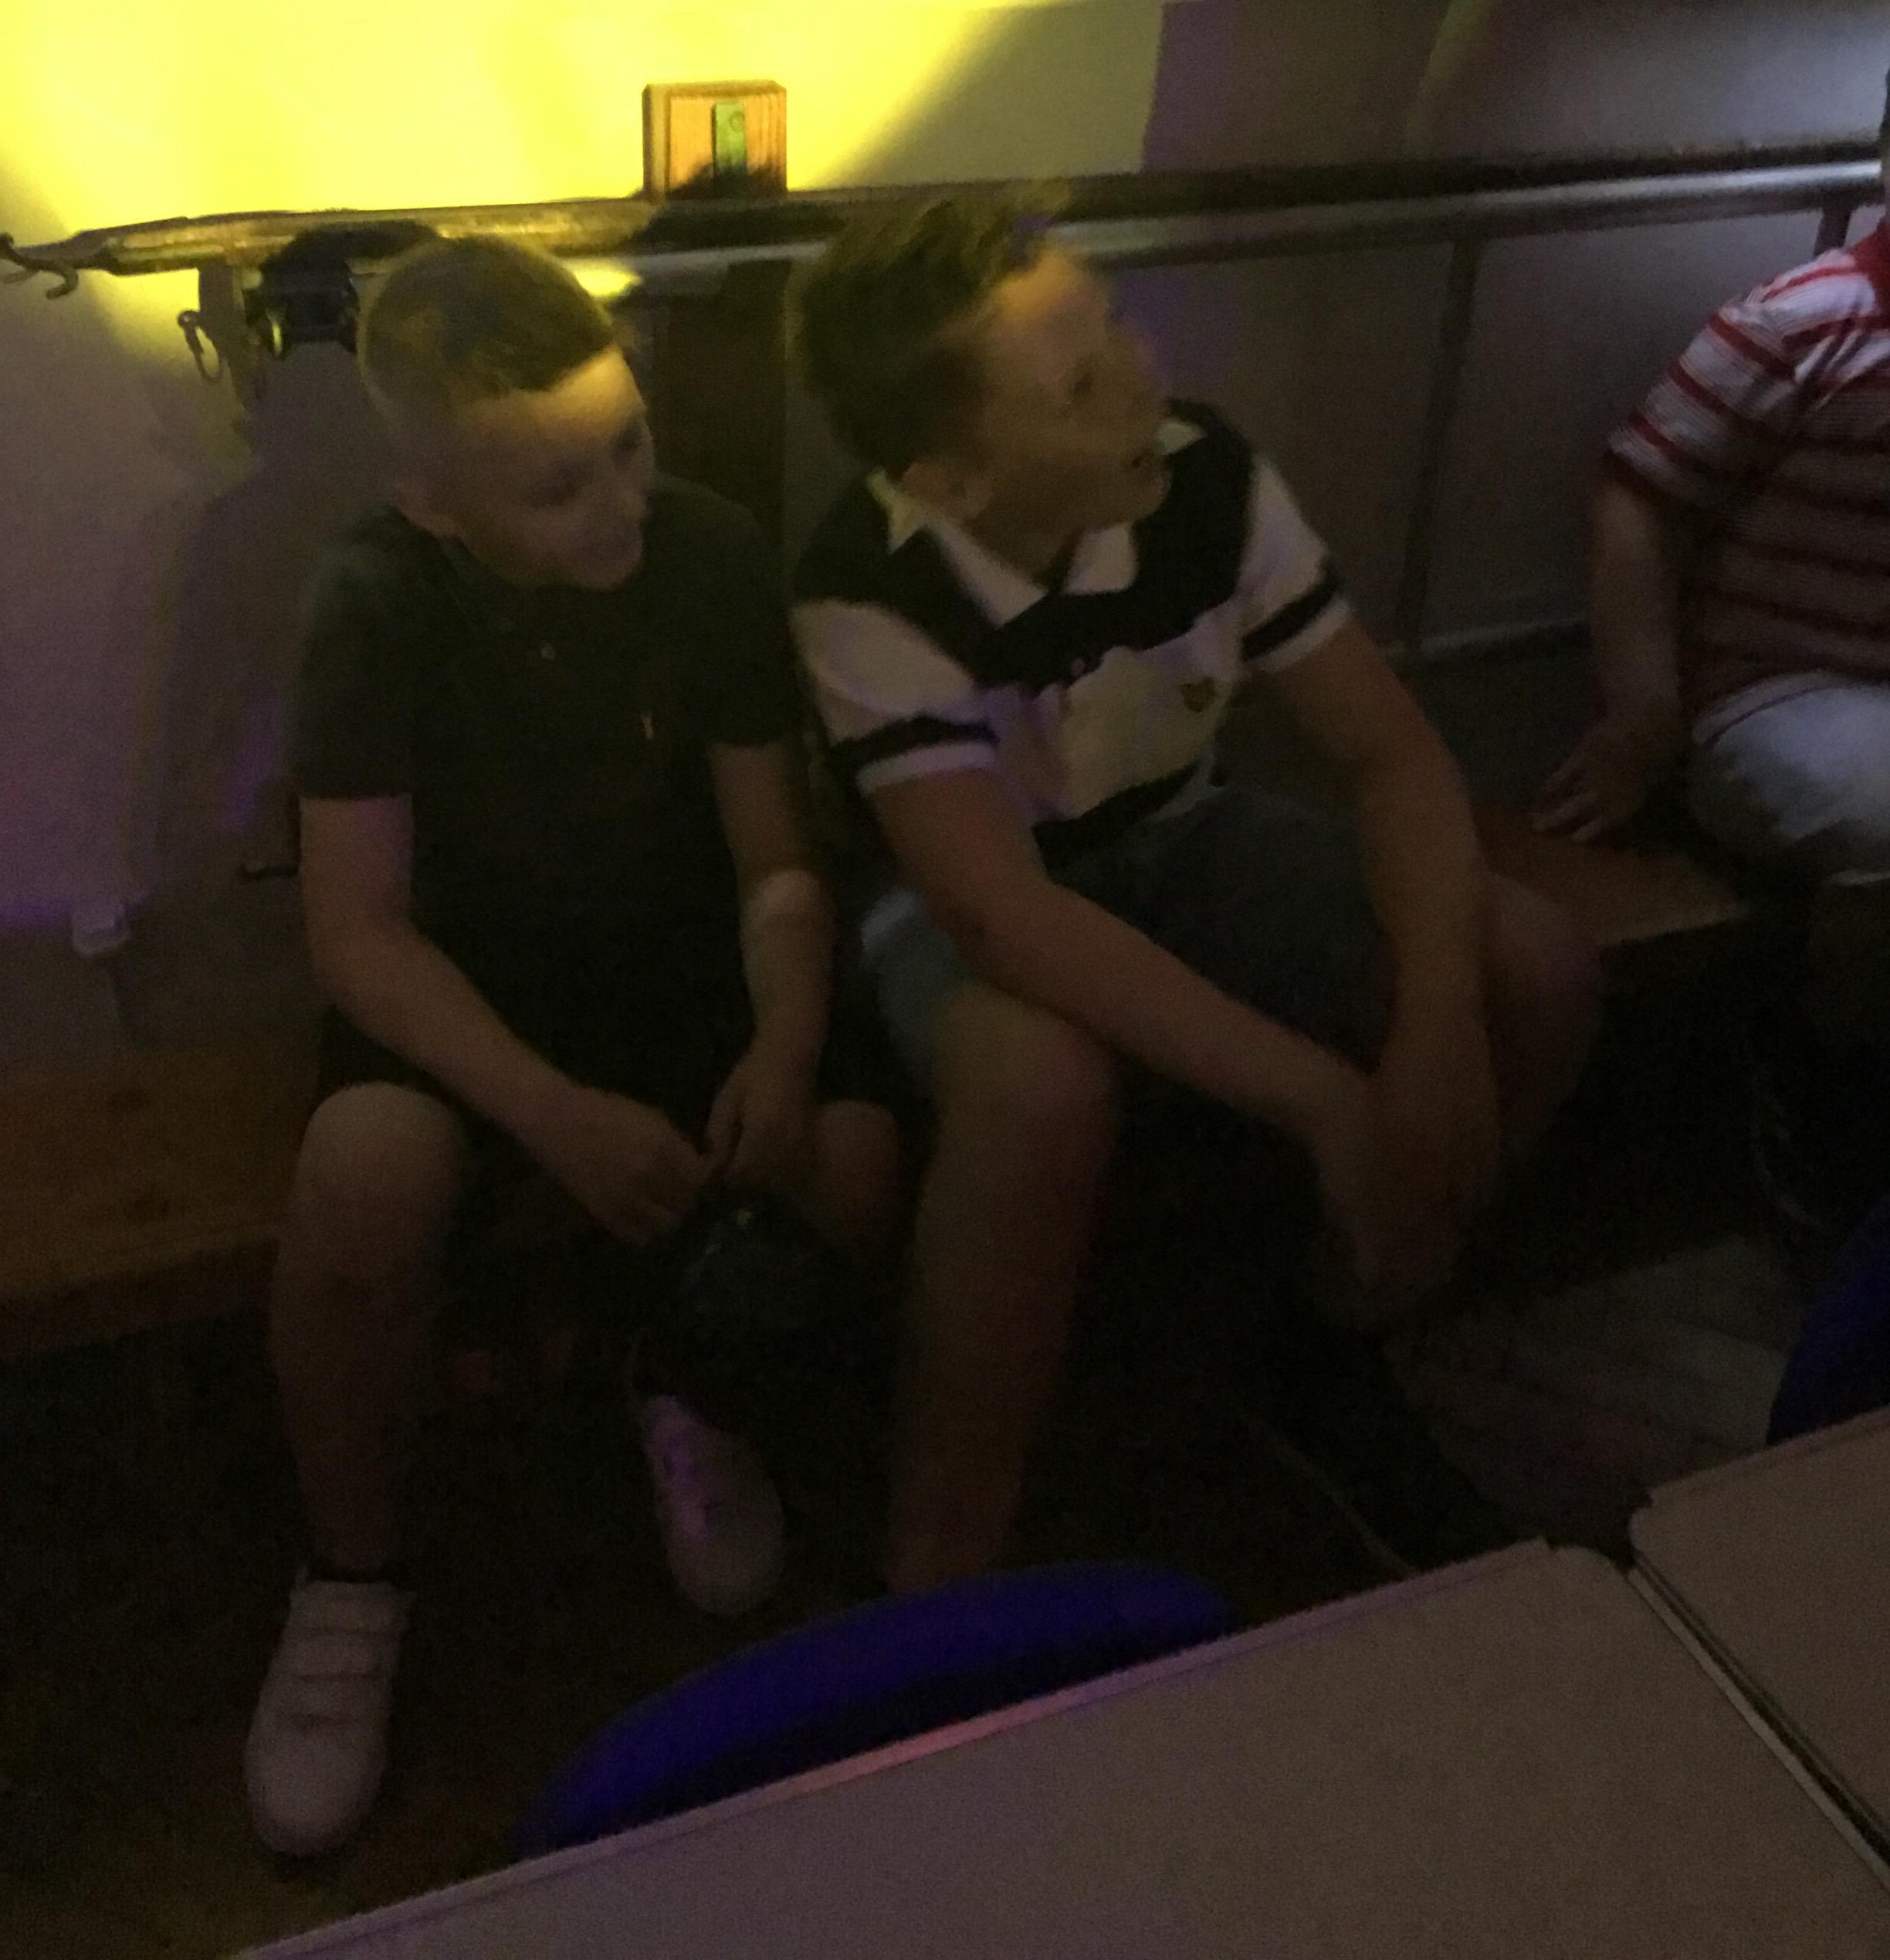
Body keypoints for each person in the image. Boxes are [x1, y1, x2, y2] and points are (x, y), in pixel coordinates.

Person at [788, 190, 1600, 1594]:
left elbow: (1394, 757)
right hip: (960, 891)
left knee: (1535, 965)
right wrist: (1327, 1097)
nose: (1141, 378)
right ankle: (945, 1547)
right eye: (1080, 384)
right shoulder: (870, 585)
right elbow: (1000, 913)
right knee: (1035, 1086)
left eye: (1115, 324)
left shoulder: (1203, 476)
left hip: (1182, 831)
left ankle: (1345, 1329)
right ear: (956, 482)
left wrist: (1438, 1026)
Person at [247, 237, 901, 1858]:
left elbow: (774, 865)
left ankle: (683, 1373)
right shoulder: (374, 597)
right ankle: (351, 1572)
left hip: (669, 963)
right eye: (558, 487)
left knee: (853, 1153)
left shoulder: (709, 552)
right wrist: (551, 1115)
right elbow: (360, 933)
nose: (621, 505)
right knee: (365, 1173)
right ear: (434, 504)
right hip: (468, 996)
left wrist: (785, 1041)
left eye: (629, 443)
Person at [1538, 100, 1890, 1218]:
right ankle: (1824, 1087)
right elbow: (1640, 492)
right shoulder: (1806, 321)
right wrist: (1644, 712)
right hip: (1777, 690)